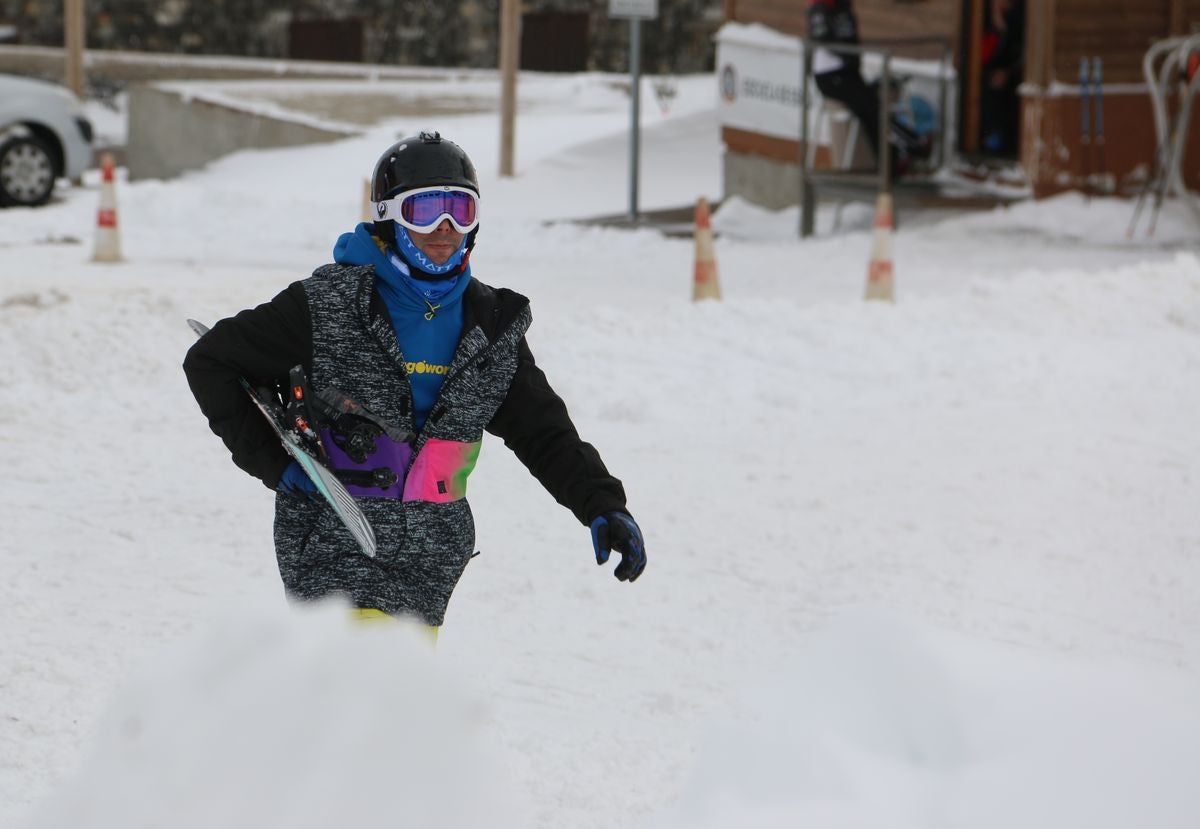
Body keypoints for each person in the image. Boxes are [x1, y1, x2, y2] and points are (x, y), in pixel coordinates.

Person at [183, 131, 647, 630]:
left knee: (385, 701)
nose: (445, 228)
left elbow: (544, 431)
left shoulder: (490, 325)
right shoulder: (327, 305)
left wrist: (602, 504)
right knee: (361, 686)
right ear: (388, 217)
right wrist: (274, 465)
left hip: (431, 560)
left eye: (460, 211)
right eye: (424, 211)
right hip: (336, 541)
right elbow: (211, 361)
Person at [806, 0, 928, 172]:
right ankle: (898, 155)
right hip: (830, 76)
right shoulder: (821, 7)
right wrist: (847, 56)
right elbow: (821, 36)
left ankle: (896, 155)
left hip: (848, 72)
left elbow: (851, 37)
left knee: (873, 107)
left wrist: (852, 59)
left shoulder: (844, 7)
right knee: (871, 108)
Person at [979, 0, 1025, 156]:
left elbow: (1022, 54)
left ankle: (1000, 140)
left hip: (1014, 75)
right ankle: (990, 137)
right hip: (990, 73)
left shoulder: (1019, 18)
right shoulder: (985, 19)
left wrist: (1008, 73)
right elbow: (984, 55)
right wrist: (997, 27)